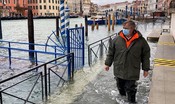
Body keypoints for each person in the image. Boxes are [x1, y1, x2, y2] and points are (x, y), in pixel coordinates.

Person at [104, 20, 150, 103]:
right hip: (119, 68)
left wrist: (145, 69)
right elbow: (111, 52)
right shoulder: (116, 39)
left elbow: (146, 55)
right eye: (123, 28)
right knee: (120, 87)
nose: (124, 30)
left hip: (132, 69)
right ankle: (122, 100)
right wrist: (107, 64)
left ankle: (132, 102)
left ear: (132, 28)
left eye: (126, 28)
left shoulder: (141, 41)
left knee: (131, 88)